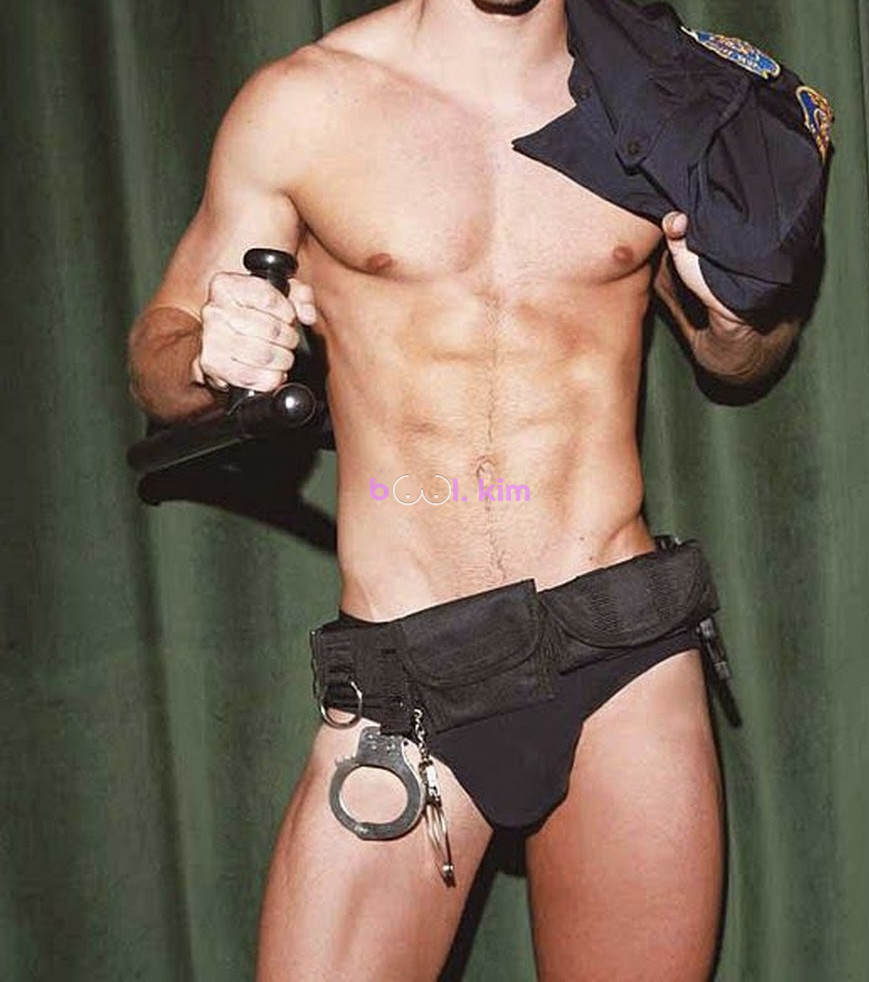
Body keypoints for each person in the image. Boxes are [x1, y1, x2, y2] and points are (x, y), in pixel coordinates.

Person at [128, 0, 819, 978]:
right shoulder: (304, 105)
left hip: (623, 651)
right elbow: (155, 363)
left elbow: (740, 360)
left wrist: (738, 322)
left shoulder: (654, 94)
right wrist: (209, 350)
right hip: (410, 673)